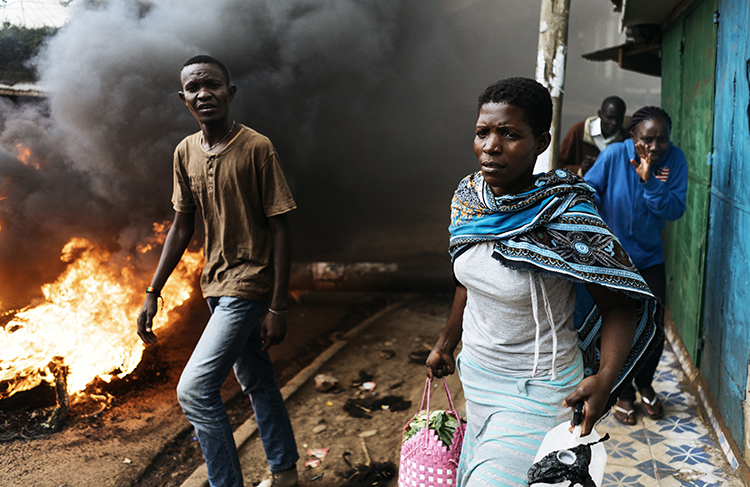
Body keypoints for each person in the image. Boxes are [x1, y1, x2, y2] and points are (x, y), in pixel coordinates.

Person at [426, 78, 660, 487]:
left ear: (540, 141)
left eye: (510, 134)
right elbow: (468, 279)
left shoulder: (565, 214)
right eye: (483, 132)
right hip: (477, 377)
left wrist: (605, 380)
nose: (491, 146)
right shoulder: (468, 200)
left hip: (539, 390)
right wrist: (446, 343)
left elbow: (619, 303)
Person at [136, 55, 300, 487]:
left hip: (249, 286)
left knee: (194, 390)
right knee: (257, 381)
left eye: (212, 85)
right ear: (183, 98)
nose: (203, 93)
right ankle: (285, 473)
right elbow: (181, 225)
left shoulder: (257, 147)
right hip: (215, 284)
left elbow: (281, 229)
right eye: (193, 88)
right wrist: (154, 291)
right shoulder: (185, 151)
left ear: (230, 92)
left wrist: (278, 306)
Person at [584, 106, 687, 426]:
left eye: (662, 140)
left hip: (649, 258)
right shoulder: (615, 155)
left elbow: (674, 210)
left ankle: (644, 382)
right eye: (647, 140)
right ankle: (624, 392)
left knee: (653, 327)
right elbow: (589, 190)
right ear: (632, 137)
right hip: (612, 260)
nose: (655, 147)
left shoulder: (675, 160)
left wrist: (648, 181)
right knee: (613, 325)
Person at [559, 96, 627, 175]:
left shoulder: (625, 139)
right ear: (600, 114)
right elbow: (559, 166)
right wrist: (580, 170)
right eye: (609, 118)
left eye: (618, 119)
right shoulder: (578, 131)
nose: (614, 123)